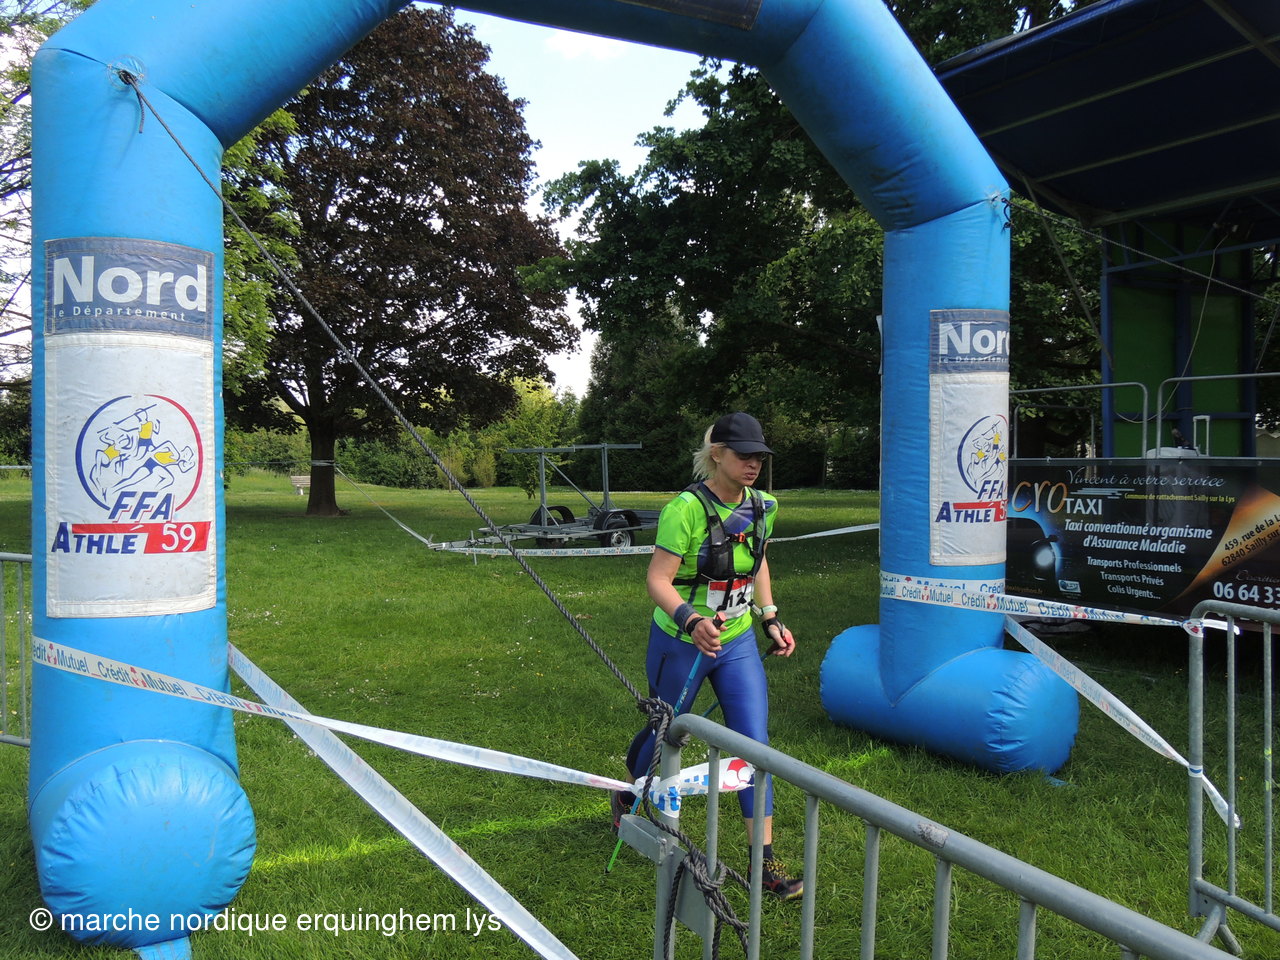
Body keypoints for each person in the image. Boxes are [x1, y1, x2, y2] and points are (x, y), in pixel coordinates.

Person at [613, 411, 802, 900]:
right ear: (717, 454)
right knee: (665, 729)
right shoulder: (685, 510)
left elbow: (758, 561)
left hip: (735, 642)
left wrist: (770, 616)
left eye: (760, 457)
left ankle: (764, 861)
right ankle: (627, 792)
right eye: (744, 455)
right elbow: (658, 579)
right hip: (680, 641)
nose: (754, 464)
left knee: (754, 743)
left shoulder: (764, 506)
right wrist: (691, 620)